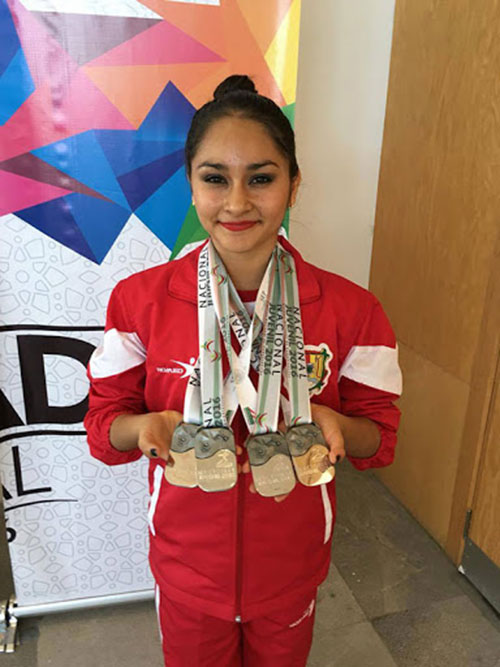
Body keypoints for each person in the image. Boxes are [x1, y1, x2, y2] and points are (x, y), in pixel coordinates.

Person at [84, 74, 402, 666]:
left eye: (261, 178)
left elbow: (380, 438)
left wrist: (337, 426)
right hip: (186, 571)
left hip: (291, 569)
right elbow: (103, 427)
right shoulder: (139, 302)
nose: (236, 203)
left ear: (293, 185)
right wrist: (142, 427)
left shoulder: (354, 311)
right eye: (215, 179)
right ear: (191, 185)